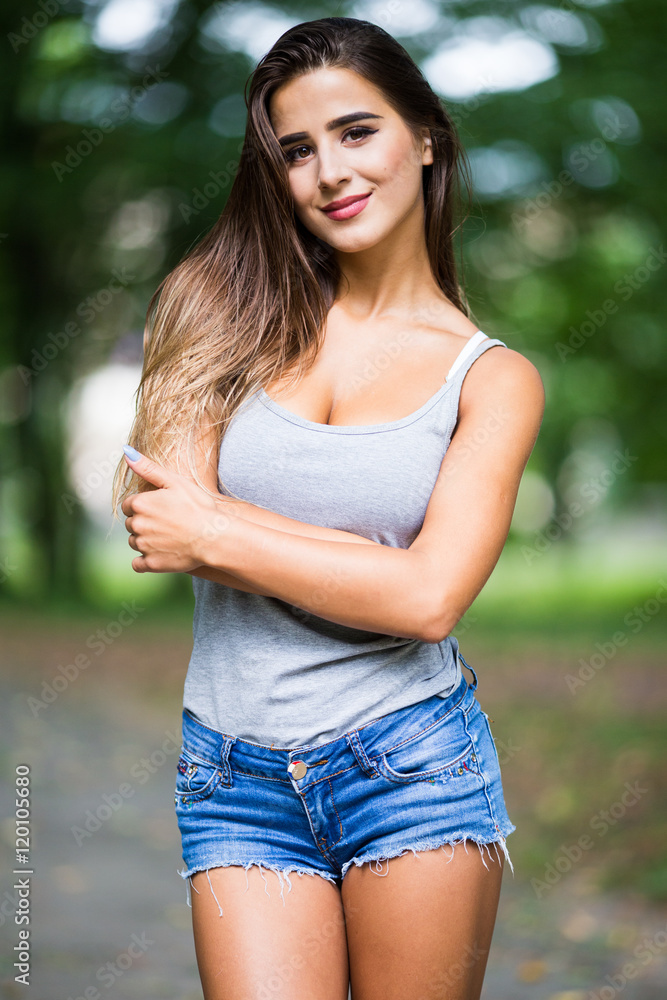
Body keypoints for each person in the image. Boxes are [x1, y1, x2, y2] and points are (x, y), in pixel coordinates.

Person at [111, 16, 545, 1000]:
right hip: (233, 777)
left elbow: (430, 601)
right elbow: (162, 526)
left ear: (424, 137)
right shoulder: (212, 307)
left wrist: (224, 527)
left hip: (412, 765)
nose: (327, 172)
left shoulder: (492, 381)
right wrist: (366, 571)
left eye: (357, 132)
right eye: (296, 150)